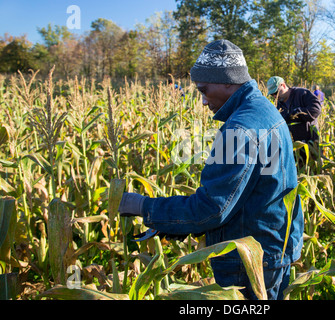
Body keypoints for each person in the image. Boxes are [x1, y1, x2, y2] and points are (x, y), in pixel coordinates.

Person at [118, 40, 304, 300]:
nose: (203, 101)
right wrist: (175, 225)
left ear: (228, 81)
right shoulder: (264, 112)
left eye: (204, 90)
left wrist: (144, 207)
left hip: (250, 260)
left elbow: (213, 208)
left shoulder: (240, 129)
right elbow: (255, 190)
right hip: (272, 248)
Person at [266, 76, 322, 166]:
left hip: (310, 143)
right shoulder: (279, 105)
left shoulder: (302, 93)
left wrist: (297, 113)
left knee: (312, 170)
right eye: (272, 95)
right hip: (294, 148)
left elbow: (316, 109)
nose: (275, 96)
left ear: (283, 85)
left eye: (276, 92)